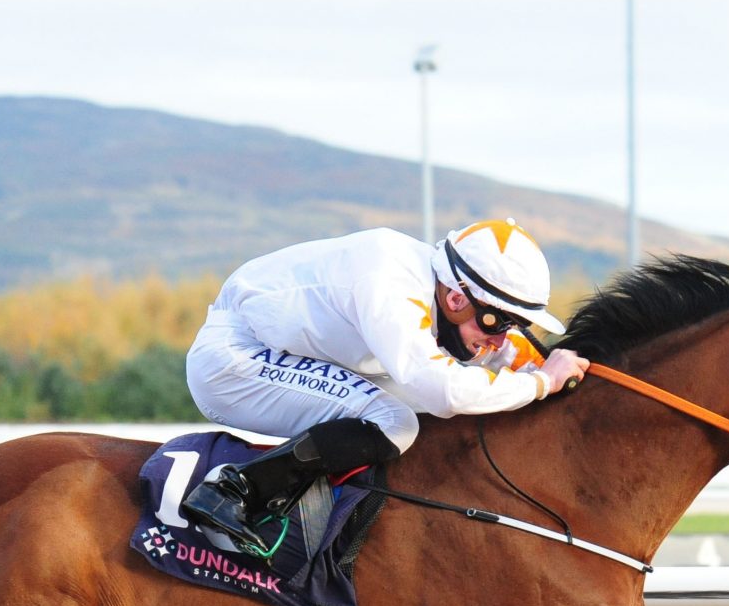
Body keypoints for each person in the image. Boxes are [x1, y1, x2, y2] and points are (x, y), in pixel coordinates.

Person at [178, 218, 591, 556]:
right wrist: (539, 384)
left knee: (423, 406)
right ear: (456, 300)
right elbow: (444, 390)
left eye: (516, 325)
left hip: (289, 352)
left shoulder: (443, 287)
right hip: (235, 361)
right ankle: (235, 491)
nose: (500, 339)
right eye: (499, 322)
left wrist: (559, 371)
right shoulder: (389, 283)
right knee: (396, 422)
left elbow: (509, 357)